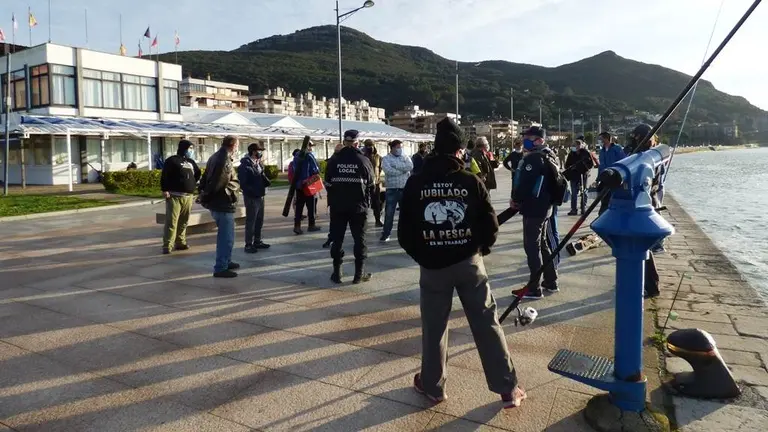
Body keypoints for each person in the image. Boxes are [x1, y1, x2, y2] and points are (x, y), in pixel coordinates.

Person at [398, 117, 526, 409]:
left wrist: (426, 255)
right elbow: (491, 224)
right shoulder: (470, 181)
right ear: (459, 151)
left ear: (434, 148)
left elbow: (405, 232)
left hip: (433, 268)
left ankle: (433, 387)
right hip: (469, 263)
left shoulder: (416, 182)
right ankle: (508, 390)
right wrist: (479, 251)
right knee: (487, 323)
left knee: (434, 327)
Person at [512, 126, 566, 299]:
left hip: (533, 208)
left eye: (529, 137)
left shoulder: (534, 158)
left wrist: (516, 200)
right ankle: (551, 280)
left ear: (539, 140)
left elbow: (525, 184)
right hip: (546, 207)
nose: (525, 140)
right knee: (542, 244)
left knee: (532, 247)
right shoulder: (551, 155)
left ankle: (534, 288)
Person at [325, 130, 375, 284]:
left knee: (337, 239)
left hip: (338, 207)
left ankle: (337, 273)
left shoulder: (334, 160)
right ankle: (359, 275)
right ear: (357, 143)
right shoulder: (364, 160)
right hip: (358, 208)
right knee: (359, 240)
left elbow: (327, 184)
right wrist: (366, 203)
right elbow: (371, 185)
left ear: (344, 142)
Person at [624, 124, 662, 297]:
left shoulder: (647, 158)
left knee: (641, 246)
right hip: (642, 205)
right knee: (637, 245)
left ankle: (651, 285)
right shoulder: (649, 155)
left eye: (635, 137)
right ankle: (644, 282)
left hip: (642, 206)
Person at [198, 135, 241, 278]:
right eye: (237, 145)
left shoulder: (215, 157)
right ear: (233, 145)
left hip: (218, 203)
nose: (237, 148)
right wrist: (207, 197)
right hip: (222, 203)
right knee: (226, 237)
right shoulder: (224, 159)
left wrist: (204, 195)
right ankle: (221, 267)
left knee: (227, 236)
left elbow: (205, 178)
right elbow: (219, 183)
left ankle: (226, 261)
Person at [160, 140, 201, 254]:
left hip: (188, 196)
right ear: (183, 148)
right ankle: (168, 245)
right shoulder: (172, 160)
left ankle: (180, 242)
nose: (191, 151)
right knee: (172, 221)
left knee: (184, 221)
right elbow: (165, 175)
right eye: (190, 148)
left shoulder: (191, 162)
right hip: (174, 196)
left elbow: (197, 173)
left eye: (192, 149)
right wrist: (165, 189)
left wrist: (192, 183)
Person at [238, 142, 272, 254]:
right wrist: (252, 192)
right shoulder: (245, 165)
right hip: (252, 197)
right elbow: (243, 182)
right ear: (253, 151)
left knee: (259, 220)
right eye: (259, 151)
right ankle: (248, 244)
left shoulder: (258, 163)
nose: (261, 153)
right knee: (251, 221)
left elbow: (261, 176)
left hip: (260, 195)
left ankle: (257, 241)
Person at [380, 139, 413, 242]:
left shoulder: (405, 157)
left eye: (400, 147)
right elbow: (388, 171)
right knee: (389, 214)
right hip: (392, 189)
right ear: (392, 148)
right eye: (398, 147)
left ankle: (406, 234)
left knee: (405, 213)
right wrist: (403, 171)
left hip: (404, 189)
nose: (400, 149)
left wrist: (396, 166)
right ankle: (386, 234)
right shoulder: (386, 158)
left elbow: (410, 166)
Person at [292, 142, 322, 234]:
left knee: (299, 206)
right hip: (309, 184)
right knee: (311, 205)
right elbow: (315, 169)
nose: (311, 148)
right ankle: (311, 225)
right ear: (308, 146)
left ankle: (297, 226)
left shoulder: (296, 156)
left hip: (299, 184)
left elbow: (294, 169)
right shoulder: (309, 155)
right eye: (311, 146)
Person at [597, 132, 626, 215]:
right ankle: (603, 216)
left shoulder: (617, 149)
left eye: (601, 139)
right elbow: (601, 166)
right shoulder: (602, 151)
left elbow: (623, 161)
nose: (600, 141)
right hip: (604, 178)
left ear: (606, 139)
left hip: (615, 178)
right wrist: (598, 179)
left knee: (612, 199)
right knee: (604, 199)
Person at [564, 140, 595, 215]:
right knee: (574, 193)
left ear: (580, 146)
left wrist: (585, 168)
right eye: (573, 145)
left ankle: (583, 208)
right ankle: (573, 209)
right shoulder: (571, 153)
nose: (574, 147)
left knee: (584, 192)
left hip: (583, 175)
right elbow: (566, 165)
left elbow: (591, 164)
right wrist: (572, 167)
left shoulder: (586, 153)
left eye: (575, 145)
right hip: (574, 176)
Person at [323, 144, 345, 249]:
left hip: (337, 197)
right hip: (337, 197)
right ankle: (332, 238)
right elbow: (326, 181)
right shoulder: (333, 162)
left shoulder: (333, 162)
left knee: (335, 220)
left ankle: (332, 238)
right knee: (335, 220)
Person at [362, 139, 384, 227]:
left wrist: (378, 178)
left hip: (376, 183)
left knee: (377, 203)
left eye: (371, 145)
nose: (369, 147)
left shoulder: (378, 157)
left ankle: (378, 220)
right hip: (364, 183)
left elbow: (380, 169)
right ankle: (363, 221)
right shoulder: (362, 156)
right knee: (364, 202)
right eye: (367, 146)